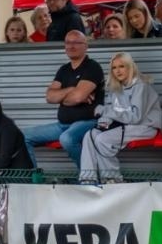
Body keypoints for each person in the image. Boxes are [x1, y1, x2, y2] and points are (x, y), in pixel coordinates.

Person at [22, 30, 104, 166]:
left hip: (87, 122)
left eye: (76, 42)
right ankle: (34, 179)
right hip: (62, 125)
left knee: (67, 139)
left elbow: (77, 98)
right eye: (68, 43)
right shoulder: (64, 70)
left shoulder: (92, 67)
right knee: (23, 136)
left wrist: (63, 95)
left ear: (85, 46)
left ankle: (88, 177)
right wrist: (72, 90)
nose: (71, 46)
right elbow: (49, 96)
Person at [78, 53, 162, 184]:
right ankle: (87, 179)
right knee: (90, 135)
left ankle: (112, 180)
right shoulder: (116, 88)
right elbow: (113, 111)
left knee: (102, 140)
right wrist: (104, 120)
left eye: (122, 66)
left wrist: (106, 111)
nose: (117, 71)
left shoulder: (140, 86)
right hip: (125, 126)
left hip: (145, 127)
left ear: (130, 67)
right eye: (114, 67)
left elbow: (135, 117)